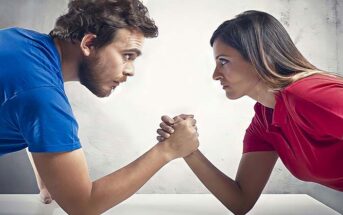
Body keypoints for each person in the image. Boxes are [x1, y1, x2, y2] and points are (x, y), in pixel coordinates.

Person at [0, 0, 199, 214]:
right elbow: (83, 205)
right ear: (88, 44)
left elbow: (26, 110)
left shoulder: (19, 39)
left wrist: (51, 178)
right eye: (127, 55)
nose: (130, 70)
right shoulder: (43, 96)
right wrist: (168, 150)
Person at [157, 10, 343, 214]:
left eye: (223, 61)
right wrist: (188, 150)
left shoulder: (308, 96)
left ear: (258, 56)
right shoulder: (265, 121)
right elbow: (240, 201)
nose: (215, 74)